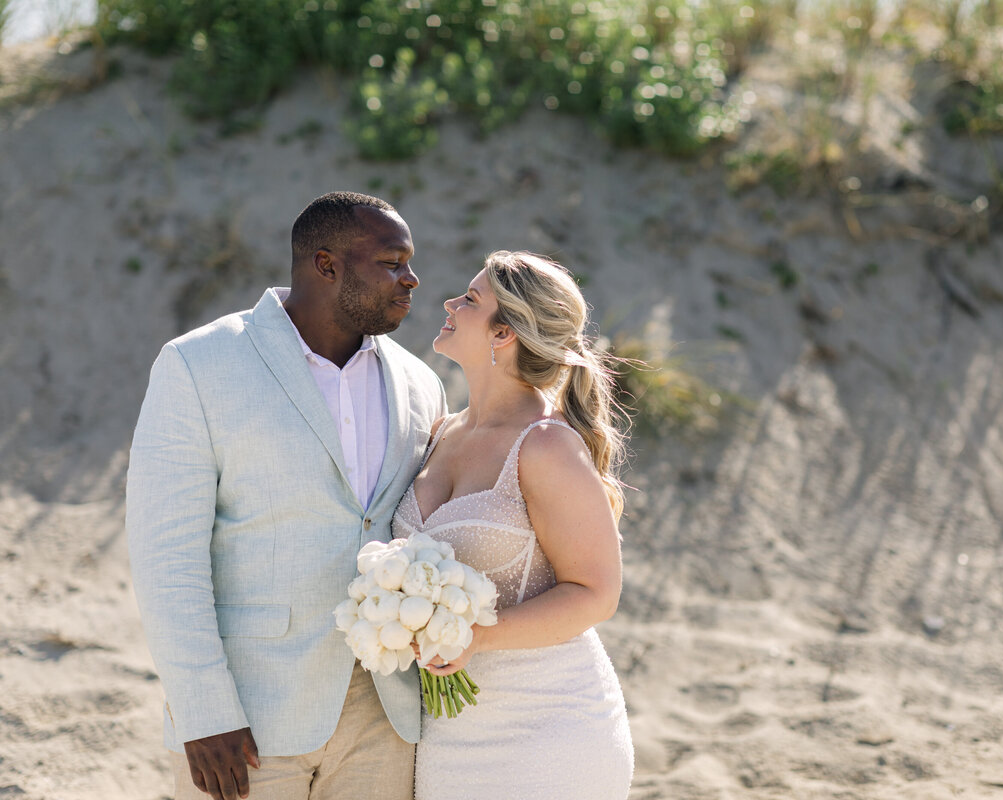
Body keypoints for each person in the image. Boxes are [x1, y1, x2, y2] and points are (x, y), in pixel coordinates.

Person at [126, 191, 446, 800]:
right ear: (325, 265)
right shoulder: (198, 365)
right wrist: (202, 711)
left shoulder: (420, 382)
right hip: (247, 719)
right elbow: (167, 558)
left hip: (385, 714)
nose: (412, 278)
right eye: (391, 262)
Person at [391, 250, 635, 799]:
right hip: (448, 738)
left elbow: (596, 593)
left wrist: (475, 637)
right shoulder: (439, 433)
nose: (451, 303)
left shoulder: (545, 446)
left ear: (505, 334)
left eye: (470, 299)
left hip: (549, 728)